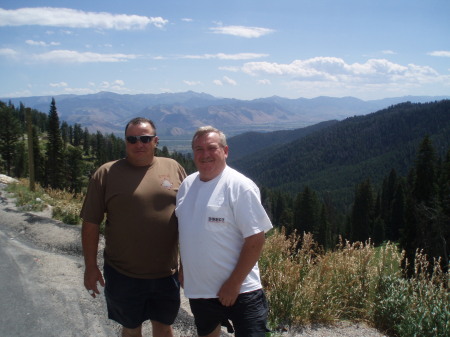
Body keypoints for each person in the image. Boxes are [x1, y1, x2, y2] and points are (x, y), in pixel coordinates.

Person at [80, 117, 186, 337]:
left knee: (164, 327)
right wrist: (90, 267)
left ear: (155, 140)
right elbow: (90, 223)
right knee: (130, 329)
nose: (139, 144)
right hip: (123, 274)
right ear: (125, 142)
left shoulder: (174, 167)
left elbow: (187, 220)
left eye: (145, 138)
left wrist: (187, 265)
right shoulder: (106, 173)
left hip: (166, 273)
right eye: (132, 139)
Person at [175, 126, 273, 337]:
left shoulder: (240, 186)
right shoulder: (186, 185)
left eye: (212, 148)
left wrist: (234, 283)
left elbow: (256, 238)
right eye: (198, 149)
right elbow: (188, 232)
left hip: (242, 291)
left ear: (225, 151)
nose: (205, 154)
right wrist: (184, 267)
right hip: (201, 290)